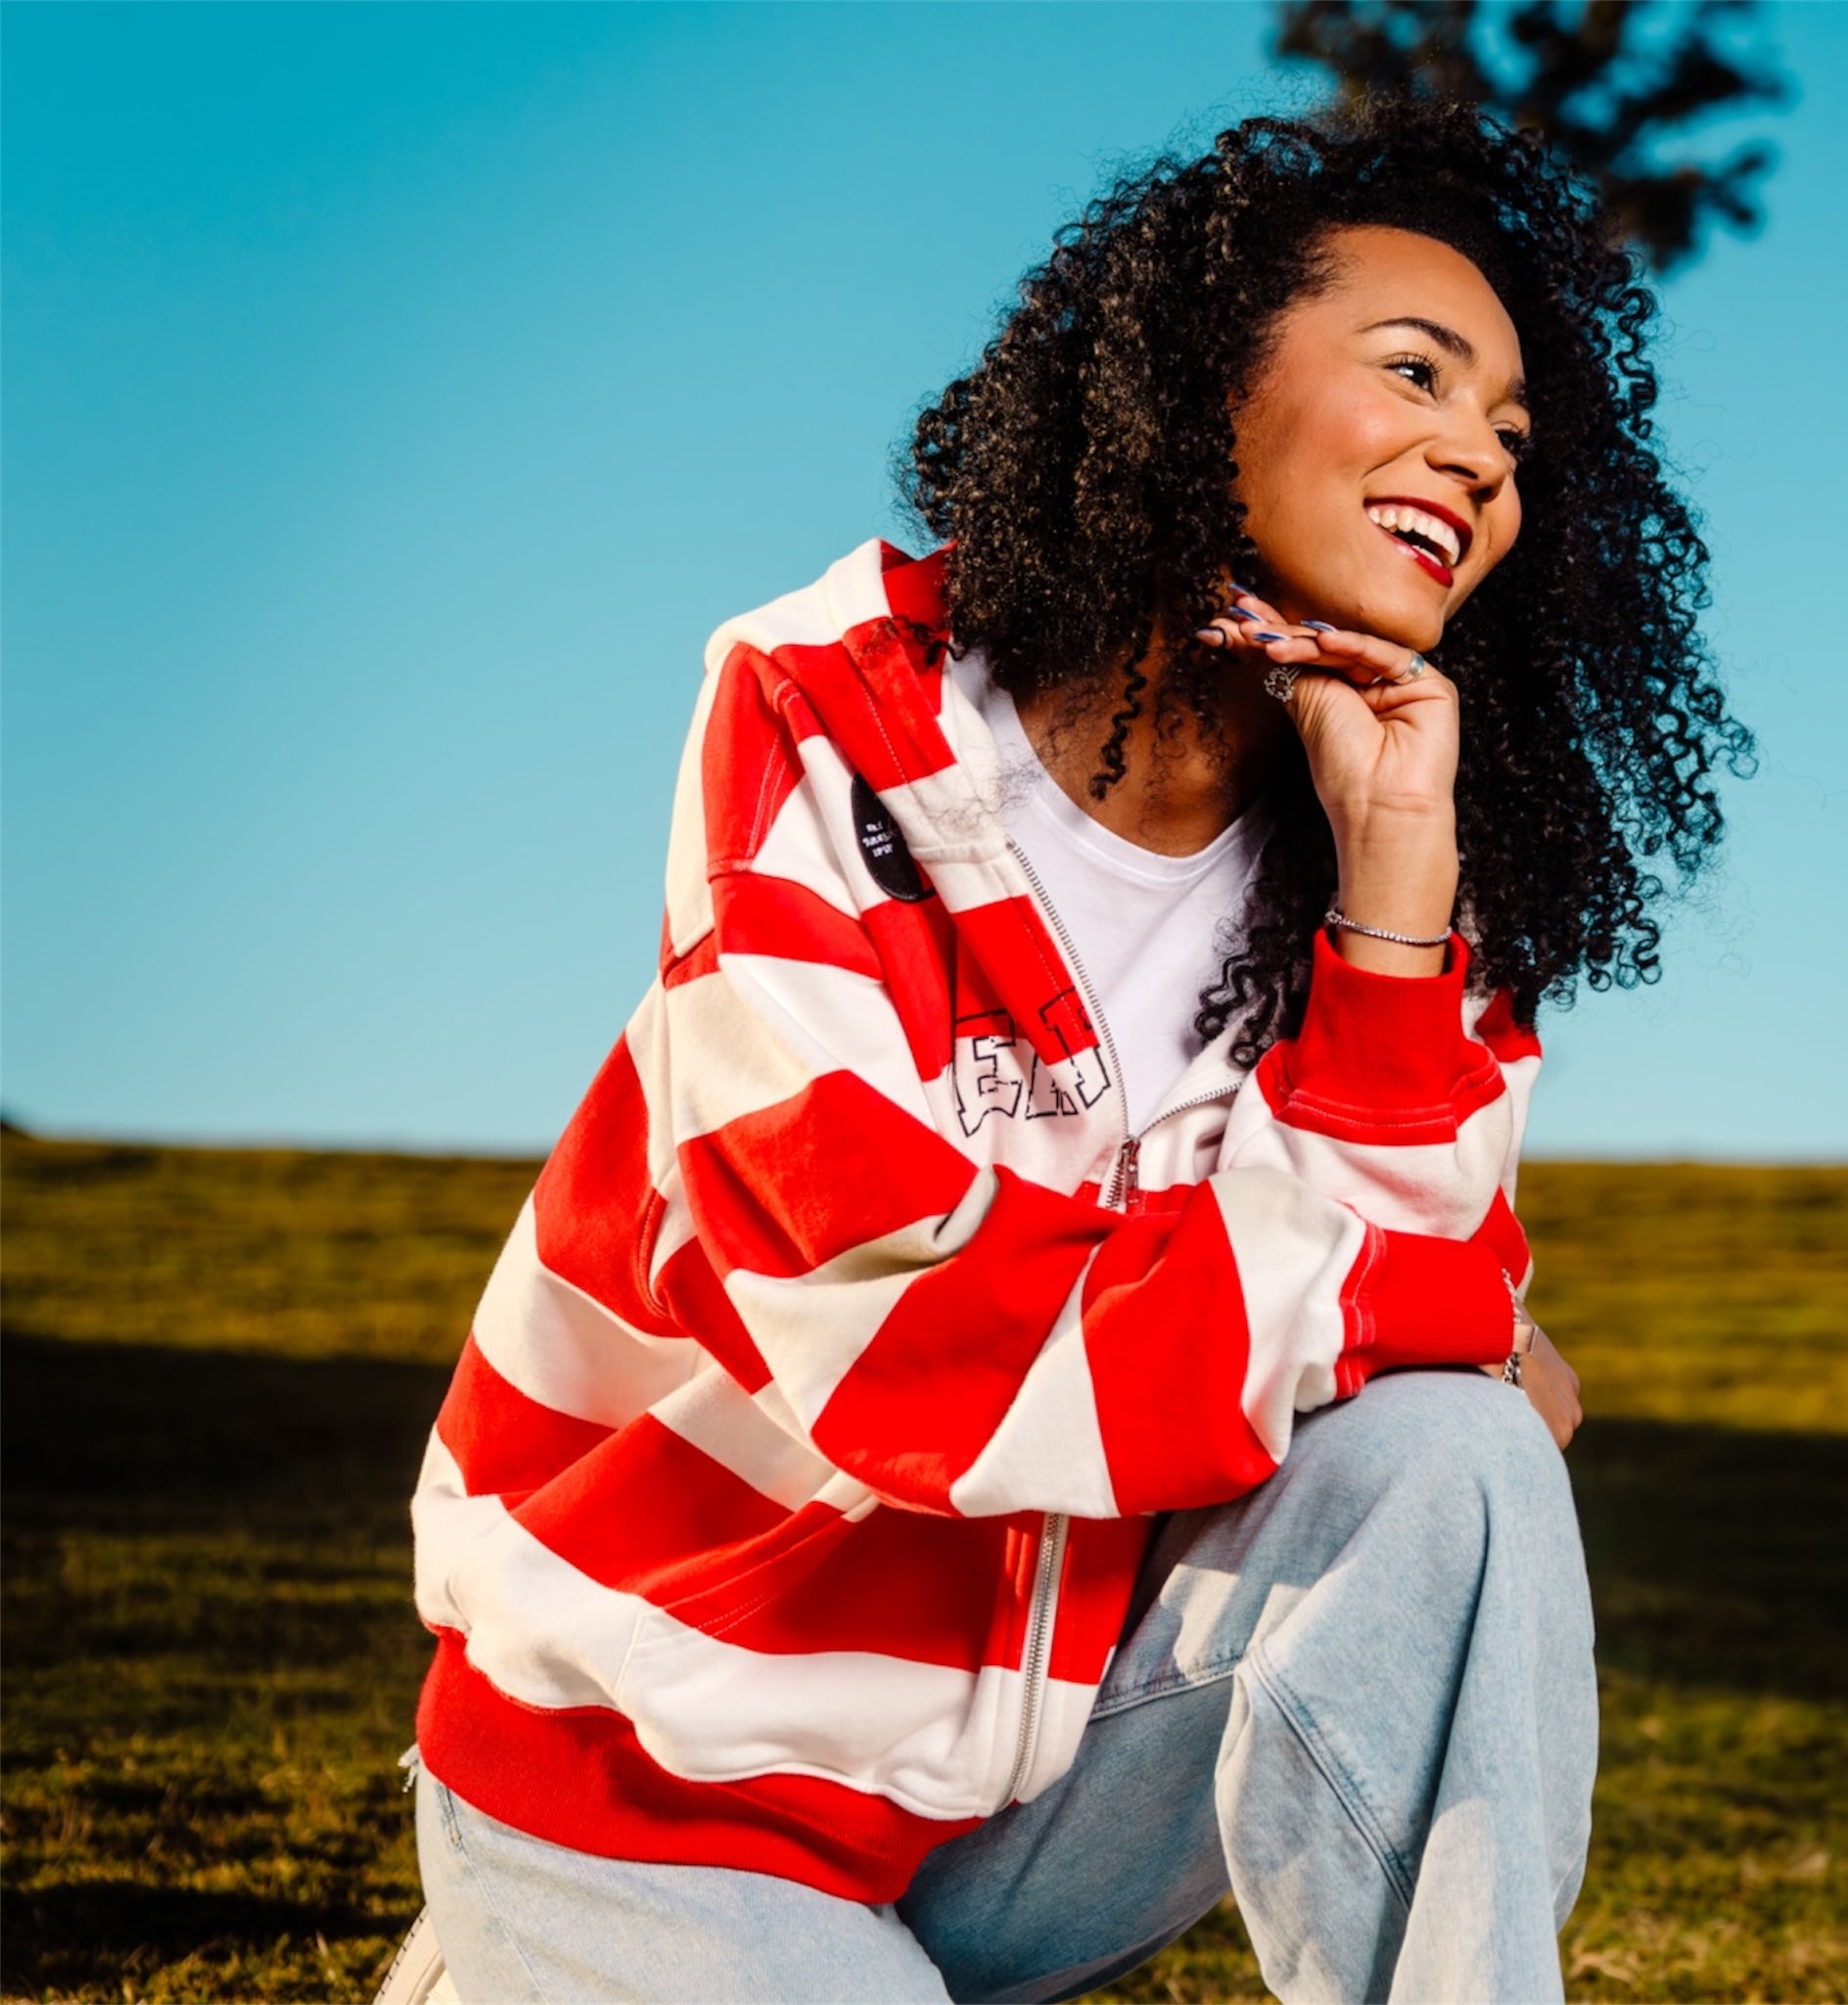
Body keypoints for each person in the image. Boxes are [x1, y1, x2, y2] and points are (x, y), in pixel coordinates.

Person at [391, 97, 1746, 2005]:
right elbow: (890, 1332)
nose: (1475, 455)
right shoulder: (832, 719)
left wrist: (1391, 897)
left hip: (1027, 1793)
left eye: (1513, 438)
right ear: (1201, 381)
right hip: (656, 1780)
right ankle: (529, 1954)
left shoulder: (1419, 878)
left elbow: (1443, 1366)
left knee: (1456, 1463)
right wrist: (1413, 1306)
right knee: (1445, 1381)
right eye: (1414, 372)